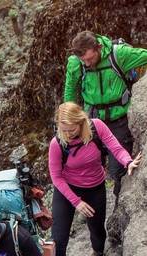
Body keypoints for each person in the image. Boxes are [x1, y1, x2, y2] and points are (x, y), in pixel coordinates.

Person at [47, 102, 142, 256]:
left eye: (72, 130)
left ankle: (98, 253)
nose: (68, 134)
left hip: (95, 186)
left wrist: (128, 162)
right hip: (67, 191)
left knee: (98, 230)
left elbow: (115, 146)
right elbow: (56, 177)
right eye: (64, 130)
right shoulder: (57, 144)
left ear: (81, 122)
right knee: (57, 239)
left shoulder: (97, 127)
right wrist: (76, 202)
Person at [63, 31, 147, 200]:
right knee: (87, 166)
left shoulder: (119, 54)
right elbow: (70, 91)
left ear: (99, 48)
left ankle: (118, 201)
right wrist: (67, 119)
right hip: (91, 121)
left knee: (118, 170)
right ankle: (91, 205)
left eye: (90, 59)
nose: (87, 63)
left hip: (118, 121)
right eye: (83, 60)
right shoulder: (76, 64)